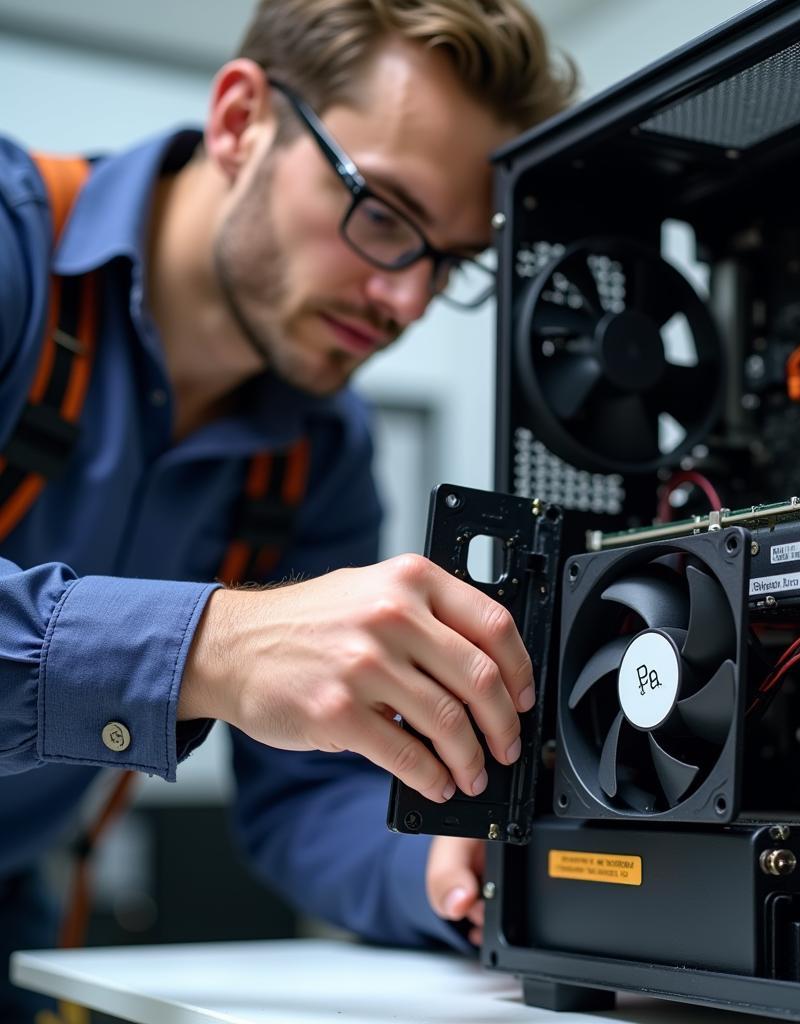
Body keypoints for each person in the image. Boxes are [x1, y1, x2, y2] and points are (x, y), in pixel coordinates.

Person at [0, 0, 576, 1018]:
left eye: (449, 260)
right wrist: (214, 647)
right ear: (237, 121)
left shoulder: (320, 450)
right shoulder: (13, 255)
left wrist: (453, 872)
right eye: (385, 215)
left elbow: (306, 791)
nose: (407, 303)